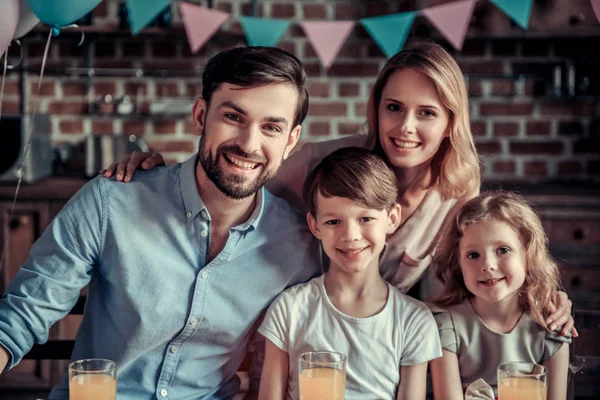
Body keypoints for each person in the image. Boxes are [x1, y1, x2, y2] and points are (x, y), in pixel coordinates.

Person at [102, 41, 576, 334]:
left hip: (380, 340)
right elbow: (232, 175)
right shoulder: (321, 163)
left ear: (452, 121)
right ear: (376, 108)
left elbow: (479, 274)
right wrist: (156, 172)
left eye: (426, 113)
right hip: (287, 327)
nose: (405, 126)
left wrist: (543, 298)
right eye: (394, 107)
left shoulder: (457, 193)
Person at [0, 46, 323, 399]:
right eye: (233, 117)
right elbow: (21, 314)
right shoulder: (112, 201)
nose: (249, 144)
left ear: (290, 140)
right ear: (201, 115)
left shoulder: (298, 244)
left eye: (271, 127)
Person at [258, 147, 442, 400]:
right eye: (334, 222)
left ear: (392, 218)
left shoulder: (414, 321)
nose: (351, 236)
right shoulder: (290, 310)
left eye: (365, 218)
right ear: (315, 225)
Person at [429, 191, 570, 400]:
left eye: (503, 250)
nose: (487, 265)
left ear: (528, 254)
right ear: (458, 265)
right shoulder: (446, 327)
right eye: (473, 255)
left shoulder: (550, 327)